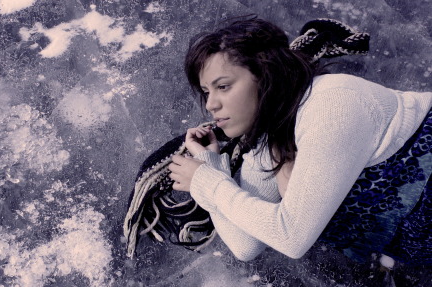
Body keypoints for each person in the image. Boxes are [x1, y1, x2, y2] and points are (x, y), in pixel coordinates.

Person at [167, 17, 432, 265]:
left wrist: (208, 184)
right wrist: (211, 168)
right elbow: (245, 244)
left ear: (265, 75)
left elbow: (291, 238)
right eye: (206, 92)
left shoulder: (332, 104)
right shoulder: (271, 137)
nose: (211, 104)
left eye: (223, 86)